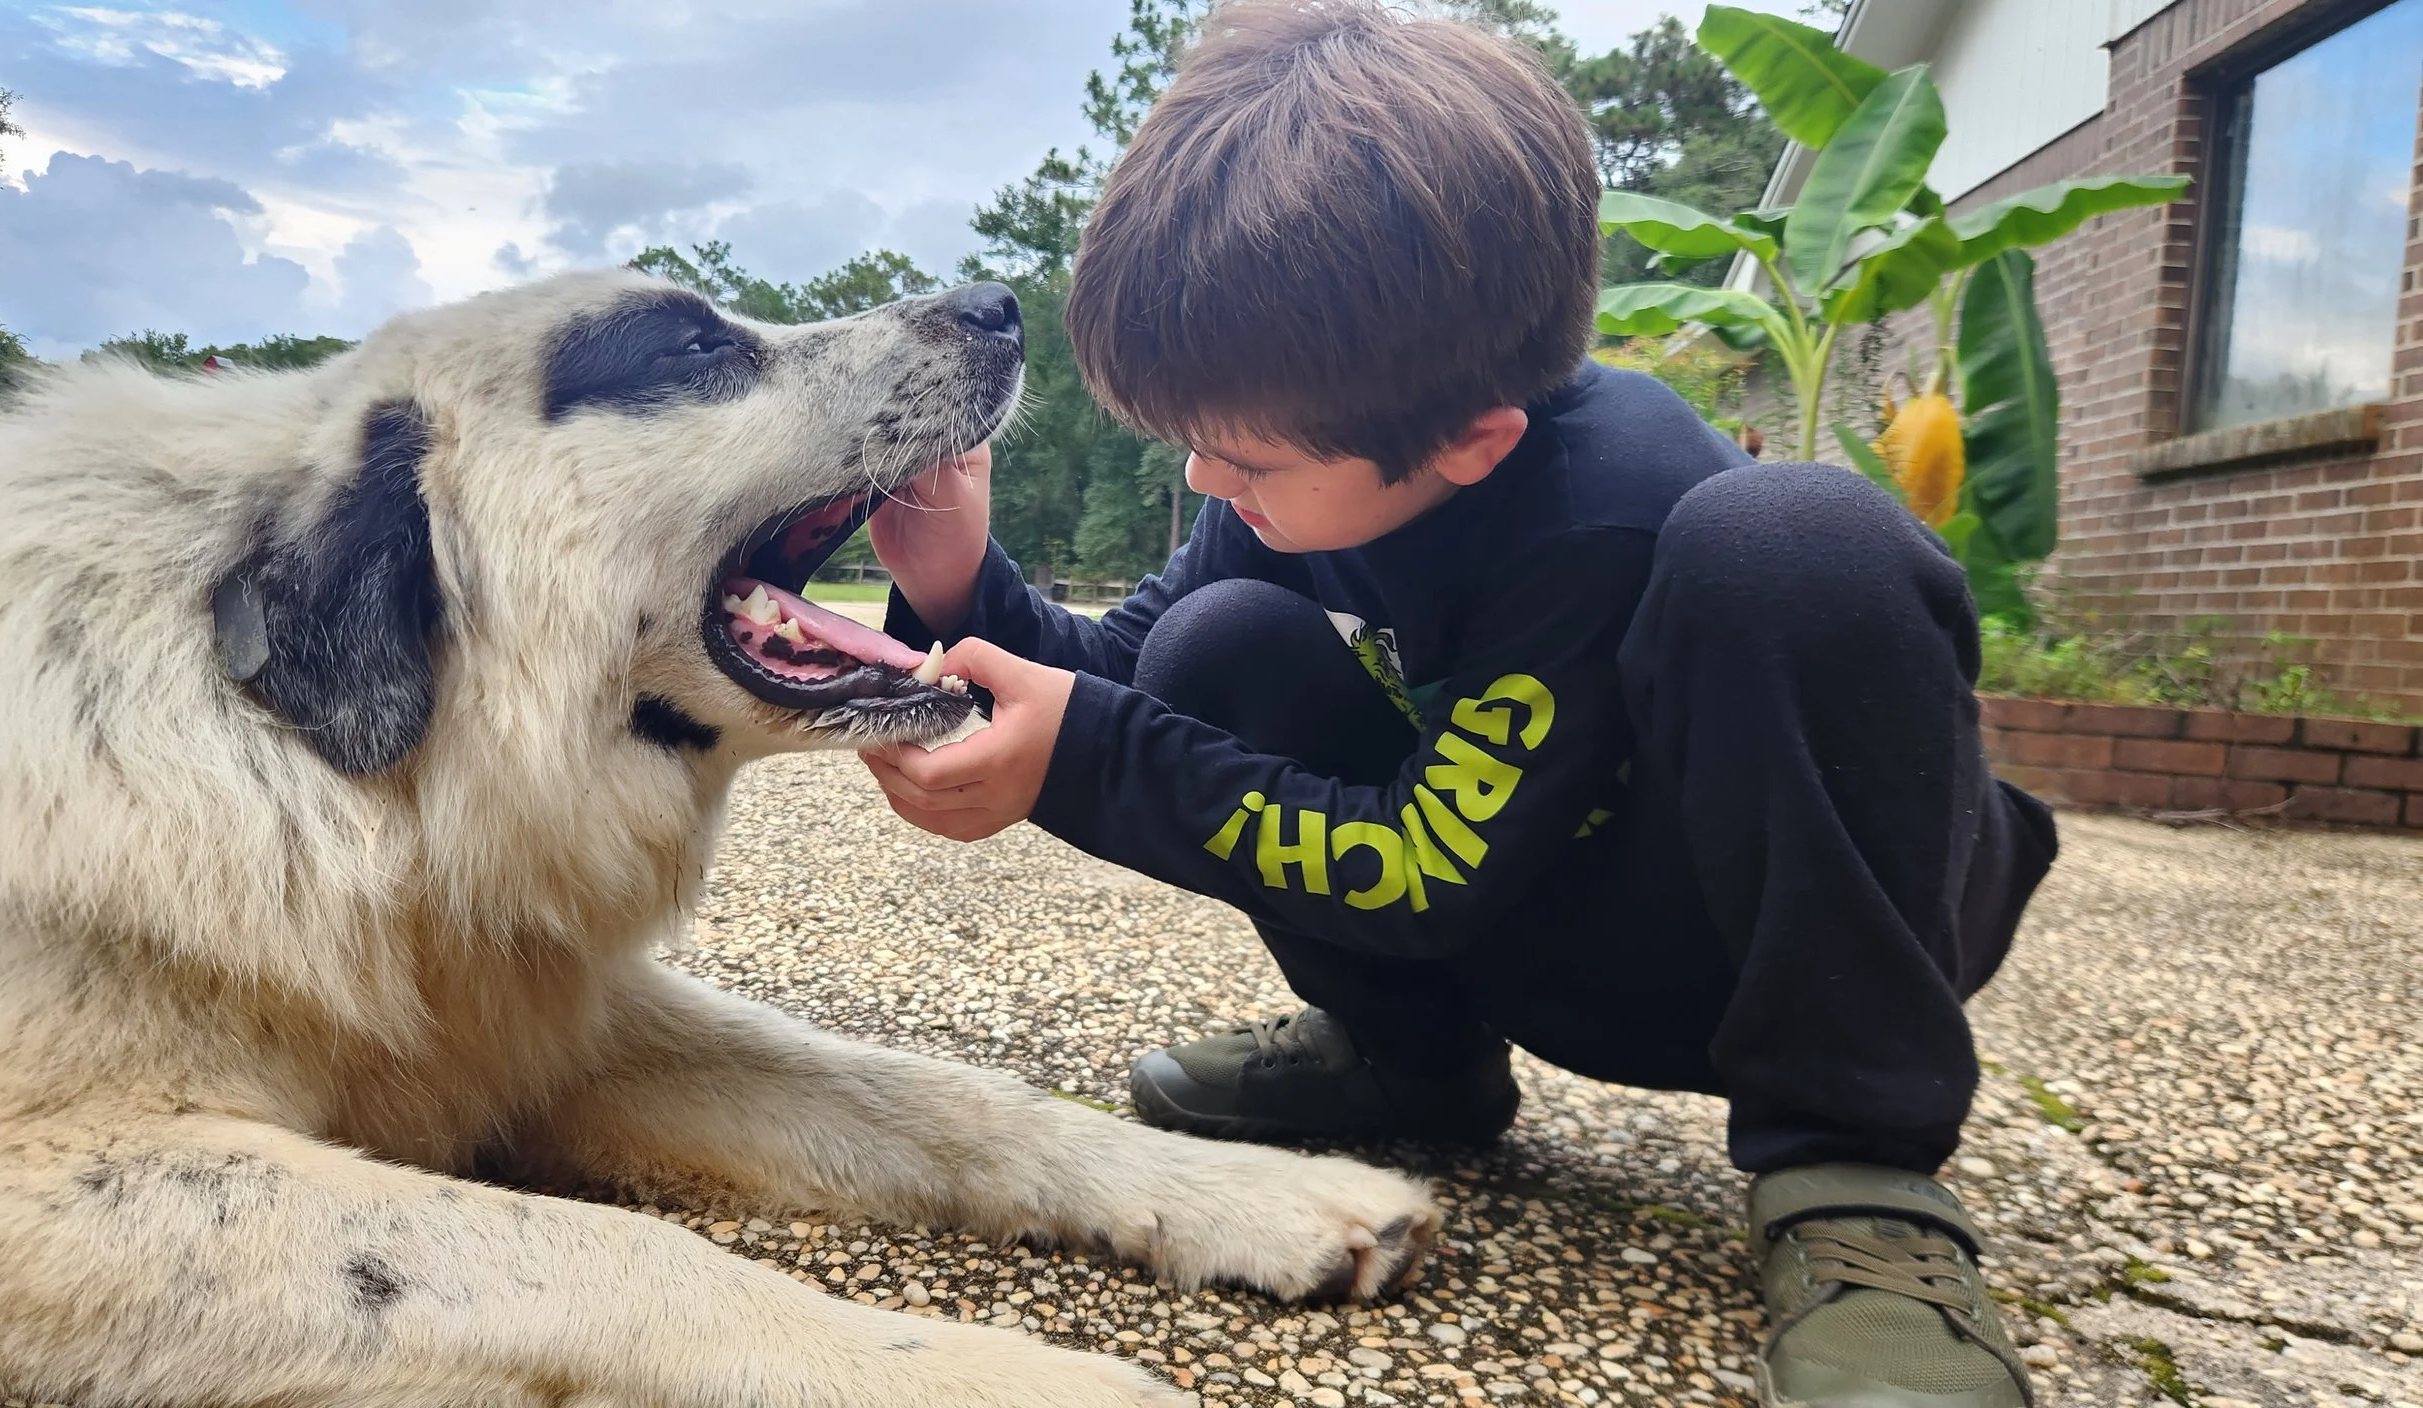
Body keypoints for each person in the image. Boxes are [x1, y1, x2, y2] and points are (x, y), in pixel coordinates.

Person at [858, 4, 2056, 1403]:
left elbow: (1428, 865)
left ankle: (1859, 1187)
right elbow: (1112, 682)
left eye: (1237, 457)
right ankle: (1414, 1066)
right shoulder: (1311, 473)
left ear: (1473, 443)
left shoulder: (1603, 510)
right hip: (1534, 911)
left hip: (1768, 931)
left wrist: (1087, 756)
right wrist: (954, 587)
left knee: (1797, 542)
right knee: (1214, 641)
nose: (1204, 485)